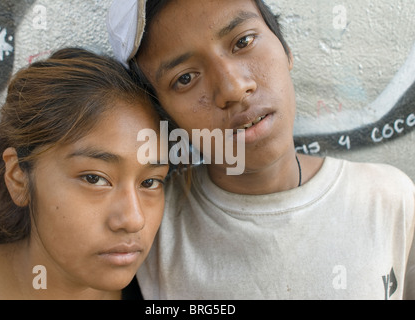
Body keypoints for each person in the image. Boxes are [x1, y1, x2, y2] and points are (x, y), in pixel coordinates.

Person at [107, 0, 415, 299]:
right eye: (185, 78)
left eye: (243, 41)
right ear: (165, 115)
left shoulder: (387, 198)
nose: (233, 88)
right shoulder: (147, 234)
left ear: (285, 48)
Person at [0, 48, 169, 300]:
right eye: (94, 178)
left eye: (150, 182)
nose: (133, 220)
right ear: (19, 177)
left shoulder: (167, 290)